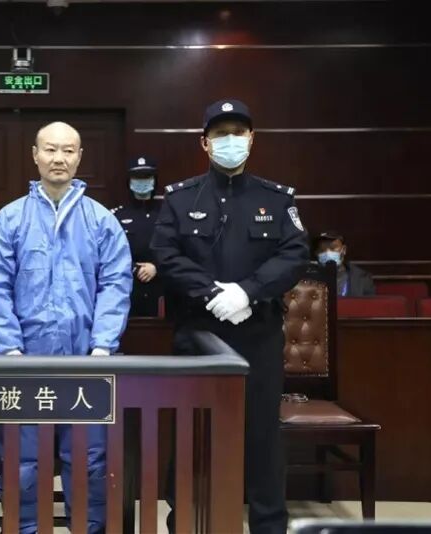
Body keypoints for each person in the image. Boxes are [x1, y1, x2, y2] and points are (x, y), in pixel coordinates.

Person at [151, 99, 309, 534]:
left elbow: (295, 254)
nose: (230, 141)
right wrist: (211, 294)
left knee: (262, 435)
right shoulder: (181, 198)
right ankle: (186, 522)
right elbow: (166, 254)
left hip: (258, 333)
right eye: (221, 134)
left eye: (238, 133)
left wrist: (247, 292)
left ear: (252, 139)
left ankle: (268, 525)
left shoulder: (276, 198)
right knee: (193, 433)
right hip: (199, 333)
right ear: (204, 143)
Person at [0, 121, 132, 534]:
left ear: (80, 157)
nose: (59, 158)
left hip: (87, 364)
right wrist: (9, 349)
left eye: (68, 150)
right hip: (23, 365)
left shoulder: (101, 221)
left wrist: (103, 346)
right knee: (22, 462)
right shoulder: (10, 219)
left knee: (89, 461)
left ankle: (89, 528)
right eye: (50, 149)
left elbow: (116, 285)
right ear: (35, 155)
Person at [111, 156, 163, 316]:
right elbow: (109, 253)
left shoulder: (167, 213)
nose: (142, 182)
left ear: (154, 180)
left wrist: (157, 267)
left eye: (146, 177)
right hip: (128, 288)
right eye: (137, 178)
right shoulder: (116, 216)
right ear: (129, 181)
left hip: (161, 289)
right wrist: (134, 267)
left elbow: (180, 249)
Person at [314, 231, 375, 296]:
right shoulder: (309, 279)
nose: (327, 253)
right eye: (322, 250)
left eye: (333, 248)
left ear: (344, 250)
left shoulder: (362, 278)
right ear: (316, 253)